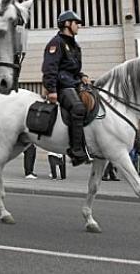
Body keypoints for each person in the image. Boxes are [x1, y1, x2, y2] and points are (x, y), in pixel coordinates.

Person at [41, 10, 92, 166]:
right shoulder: (56, 43)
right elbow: (50, 68)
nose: (78, 26)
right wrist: (52, 90)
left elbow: (72, 68)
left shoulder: (75, 46)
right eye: (76, 23)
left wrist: (82, 75)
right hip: (62, 86)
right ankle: (76, 151)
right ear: (67, 24)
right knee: (78, 108)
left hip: (74, 83)